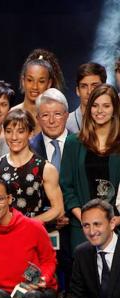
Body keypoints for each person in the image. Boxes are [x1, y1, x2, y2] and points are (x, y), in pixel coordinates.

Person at [60, 84, 120, 251]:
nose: (99, 111)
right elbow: (66, 186)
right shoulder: (73, 142)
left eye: (106, 106)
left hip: (117, 225)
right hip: (82, 229)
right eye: (95, 105)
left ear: (115, 109)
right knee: (84, 274)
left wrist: (114, 221)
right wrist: (86, 221)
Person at [29, 88, 74, 288]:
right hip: (42, 229)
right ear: (38, 118)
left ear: (66, 115)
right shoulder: (29, 148)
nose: (52, 120)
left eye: (57, 114)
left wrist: (70, 213)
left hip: (76, 226)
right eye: (45, 115)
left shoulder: (81, 143)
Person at [0, 108, 64, 222]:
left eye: (20, 131)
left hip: (33, 233)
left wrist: (26, 225)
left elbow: (58, 209)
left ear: (30, 134)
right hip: (3, 234)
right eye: (9, 131)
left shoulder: (45, 168)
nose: (14, 137)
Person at [12, 48, 65, 136]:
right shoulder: (11, 114)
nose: (35, 87)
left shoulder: (55, 118)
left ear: (49, 83)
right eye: (30, 80)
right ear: (23, 81)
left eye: (41, 81)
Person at [66, 62, 106, 133]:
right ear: (78, 90)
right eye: (84, 86)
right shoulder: (66, 123)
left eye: (95, 86)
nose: (89, 91)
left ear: (104, 88)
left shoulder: (115, 122)